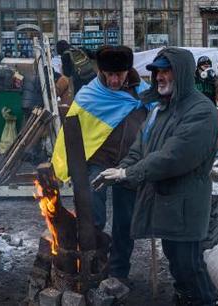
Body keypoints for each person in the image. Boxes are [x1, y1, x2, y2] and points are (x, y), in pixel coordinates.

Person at [93, 47, 218, 305]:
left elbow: (173, 157)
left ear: (182, 73)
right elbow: (141, 146)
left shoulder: (201, 111)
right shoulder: (159, 109)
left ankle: (202, 300)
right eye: (157, 71)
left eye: (166, 70)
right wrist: (120, 170)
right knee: (175, 258)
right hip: (168, 203)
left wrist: (130, 173)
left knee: (189, 264)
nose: (160, 77)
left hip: (186, 206)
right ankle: (186, 297)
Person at [52, 45, 152, 283]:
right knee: (91, 212)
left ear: (128, 70)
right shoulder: (91, 94)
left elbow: (157, 121)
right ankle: (92, 260)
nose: (114, 80)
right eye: (109, 74)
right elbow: (72, 130)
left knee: (125, 221)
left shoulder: (143, 93)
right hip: (99, 163)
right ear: (101, 70)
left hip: (129, 165)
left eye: (119, 74)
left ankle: (118, 272)